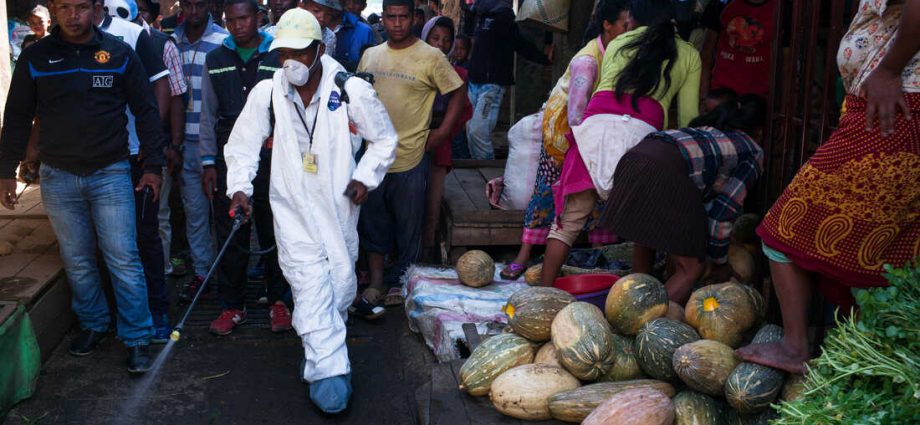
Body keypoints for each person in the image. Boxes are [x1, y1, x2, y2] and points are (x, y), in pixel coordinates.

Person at [223, 8, 398, 412]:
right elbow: (243, 145)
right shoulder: (267, 92)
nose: (291, 61)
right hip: (291, 208)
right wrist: (239, 189)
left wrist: (365, 178)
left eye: (300, 53)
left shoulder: (351, 90)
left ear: (319, 49)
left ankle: (319, 347)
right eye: (284, 52)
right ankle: (330, 374)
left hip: (337, 209)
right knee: (308, 283)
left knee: (338, 286)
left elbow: (385, 140)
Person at [737, 0, 920, 375]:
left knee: (782, 229)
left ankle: (796, 346)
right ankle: (872, 359)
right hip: (885, 115)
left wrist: (888, 70)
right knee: (885, 255)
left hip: (892, 118)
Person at [0, 0, 166, 373]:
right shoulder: (36, 58)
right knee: (76, 260)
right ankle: (93, 324)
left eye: (80, 7)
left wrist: (152, 165)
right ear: (54, 10)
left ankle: (137, 337)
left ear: (94, 9)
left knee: (123, 258)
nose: (72, 16)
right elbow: (17, 115)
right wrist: (5, 170)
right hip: (58, 177)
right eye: (63, 7)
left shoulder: (119, 53)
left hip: (110, 173)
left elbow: (146, 111)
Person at [541, 0, 702, 285]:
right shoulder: (690, 55)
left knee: (568, 223)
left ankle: (541, 291)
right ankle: (637, 301)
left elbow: (605, 90)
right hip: (643, 139)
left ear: (633, 19)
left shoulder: (618, 42)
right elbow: (690, 119)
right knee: (643, 228)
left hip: (594, 129)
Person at [500, 0, 629, 280]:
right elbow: (575, 114)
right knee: (547, 191)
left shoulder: (617, 55)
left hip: (589, 132)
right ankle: (524, 254)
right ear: (608, 26)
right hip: (564, 134)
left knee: (597, 195)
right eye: (625, 25)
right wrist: (585, 149)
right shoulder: (587, 61)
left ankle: (599, 258)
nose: (630, 30)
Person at [600, 95, 766, 303]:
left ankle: (630, 306)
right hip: (664, 169)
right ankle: (646, 326)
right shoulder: (753, 151)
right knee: (691, 269)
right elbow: (723, 212)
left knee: (645, 238)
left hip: (635, 158)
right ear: (759, 132)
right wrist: (720, 261)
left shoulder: (712, 131)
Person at [357, 0, 464, 307]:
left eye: (404, 17)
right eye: (391, 17)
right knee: (373, 223)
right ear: (384, 19)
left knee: (409, 227)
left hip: (413, 156)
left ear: (414, 18)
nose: (397, 23)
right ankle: (377, 282)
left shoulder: (430, 56)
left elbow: (457, 93)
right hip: (374, 159)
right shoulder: (371, 55)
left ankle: (404, 283)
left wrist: (442, 132)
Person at [198, 0, 289, 335]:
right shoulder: (216, 58)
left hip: (272, 158)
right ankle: (232, 306)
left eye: (245, 18)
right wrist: (208, 161)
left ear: (258, 18)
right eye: (232, 20)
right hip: (229, 160)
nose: (238, 25)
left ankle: (280, 302)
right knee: (231, 233)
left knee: (274, 230)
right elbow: (207, 114)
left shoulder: (276, 55)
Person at [173, 0, 229, 302]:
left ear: (208, 6)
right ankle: (203, 273)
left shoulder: (223, 40)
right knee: (194, 212)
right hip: (185, 142)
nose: (193, 11)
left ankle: (236, 273)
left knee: (225, 211)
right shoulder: (172, 41)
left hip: (216, 141)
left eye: (199, 5)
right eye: (188, 5)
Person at [133, 0, 191, 281]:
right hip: (119, 148)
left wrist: (174, 145)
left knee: (159, 214)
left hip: (157, 146)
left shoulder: (160, 44)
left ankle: (162, 271)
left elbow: (176, 97)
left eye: (141, 10)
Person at [465, 0, 551, 160]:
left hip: (492, 84)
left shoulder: (503, 17)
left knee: (478, 130)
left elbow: (519, 44)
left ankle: (485, 166)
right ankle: (476, 164)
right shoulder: (479, 13)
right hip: (475, 80)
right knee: (470, 127)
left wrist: (544, 58)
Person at [420, 16, 472, 260]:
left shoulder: (457, 73)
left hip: (439, 144)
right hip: (409, 141)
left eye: (446, 40)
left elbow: (464, 111)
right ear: (425, 37)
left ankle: (427, 253)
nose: (440, 45)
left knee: (432, 201)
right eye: (435, 38)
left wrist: (442, 134)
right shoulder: (412, 66)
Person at [699, 0, 778, 98]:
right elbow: (706, 55)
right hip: (721, 96)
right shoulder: (721, 4)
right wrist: (703, 99)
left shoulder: (781, 7)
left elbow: (787, 63)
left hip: (760, 100)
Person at [329, 0, 379, 71]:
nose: (350, 6)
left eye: (356, 2)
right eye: (347, 1)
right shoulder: (317, 23)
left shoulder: (365, 31)